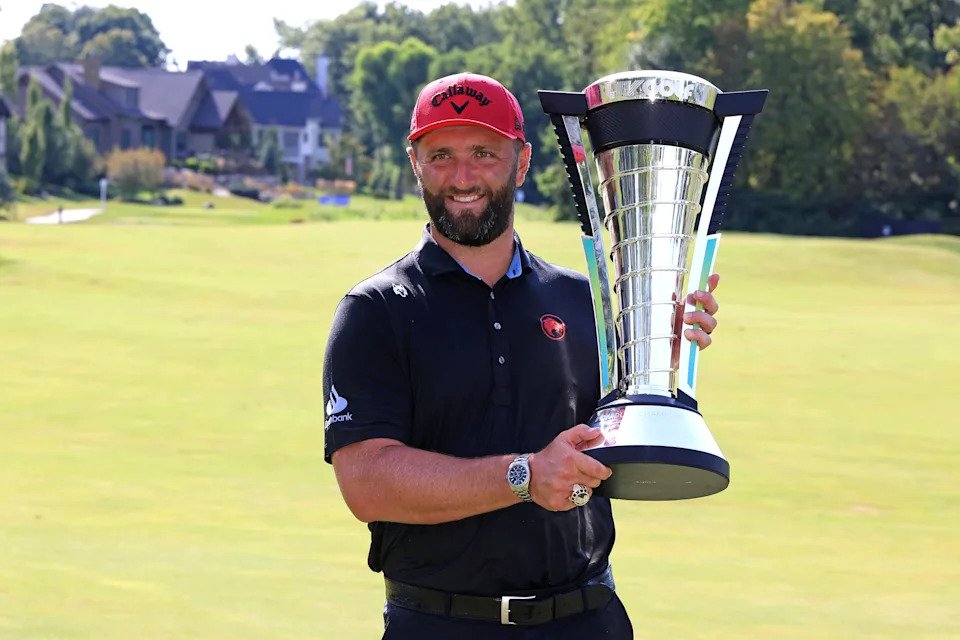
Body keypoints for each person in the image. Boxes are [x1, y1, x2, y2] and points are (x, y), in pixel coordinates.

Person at [322, 72, 720, 639]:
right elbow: (366, 484)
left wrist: (659, 352)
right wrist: (524, 476)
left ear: (522, 160)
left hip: (587, 620)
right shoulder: (377, 310)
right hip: (440, 624)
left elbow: (621, 441)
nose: (462, 177)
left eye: (484, 152)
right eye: (441, 155)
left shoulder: (587, 302)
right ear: (415, 163)